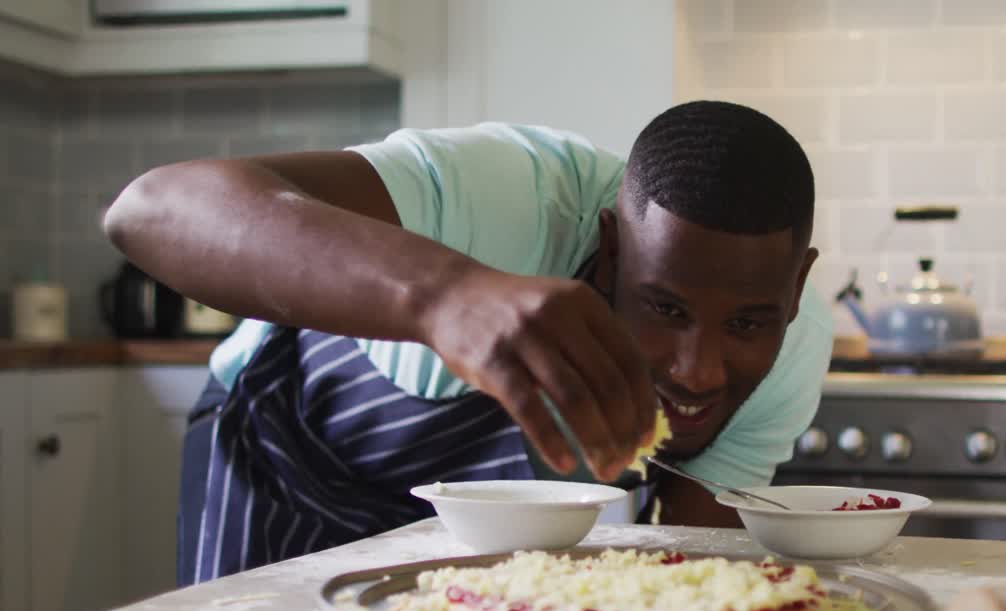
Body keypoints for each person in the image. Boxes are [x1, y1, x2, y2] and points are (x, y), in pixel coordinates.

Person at [104, 100, 833, 585]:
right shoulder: (506, 189)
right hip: (280, 461)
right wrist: (444, 293)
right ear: (609, 251)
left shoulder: (795, 356)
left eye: (747, 325)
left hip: (471, 534)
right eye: (664, 308)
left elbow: (684, 566)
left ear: (797, 289)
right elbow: (151, 210)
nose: (698, 372)